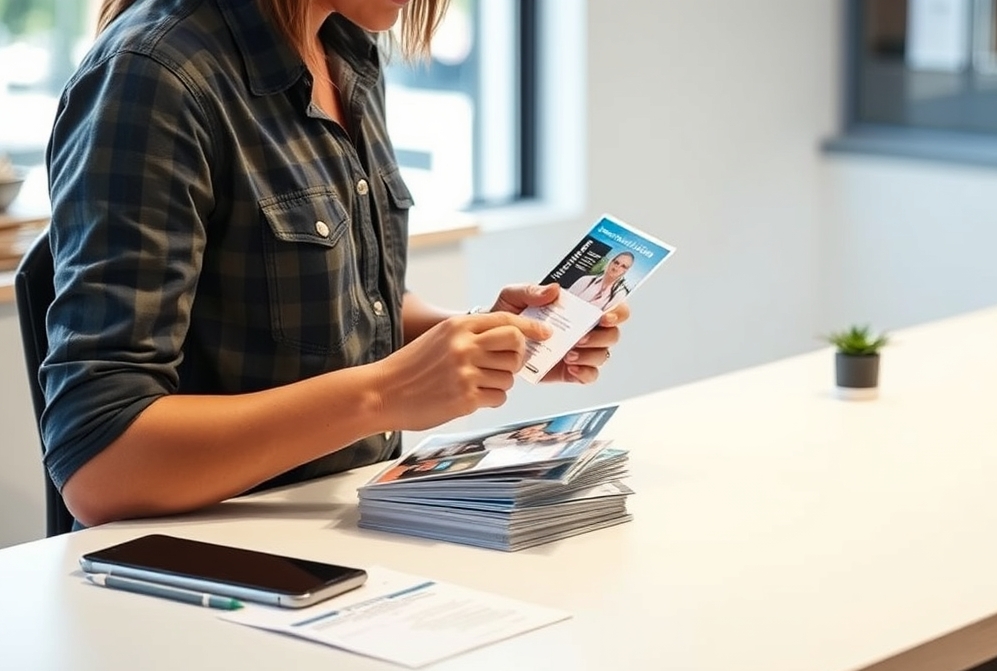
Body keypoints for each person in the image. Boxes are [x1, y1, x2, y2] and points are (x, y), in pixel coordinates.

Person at [40, 0, 629, 527]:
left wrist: (479, 338)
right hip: (210, 557)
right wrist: (385, 394)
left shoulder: (345, 51)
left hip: (344, 525)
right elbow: (100, 466)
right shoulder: (153, 77)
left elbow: (354, 299)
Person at [567, 251, 634, 311]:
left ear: (626, 271)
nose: (616, 268)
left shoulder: (619, 294)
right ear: (611, 262)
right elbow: (566, 299)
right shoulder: (585, 280)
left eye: (623, 266)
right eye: (616, 263)